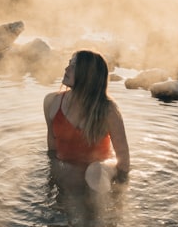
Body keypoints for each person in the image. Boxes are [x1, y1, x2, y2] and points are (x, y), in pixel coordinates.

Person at [44, 50, 130, 191]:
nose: (66, 69)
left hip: (101, 171)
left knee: (94, 172)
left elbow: (124, 162)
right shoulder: (51, 102)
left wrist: (118, 197)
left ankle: (102, 210)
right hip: (69, 171)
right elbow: (52, 151)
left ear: (89, 74)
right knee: (68, 175)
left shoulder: (108, 110)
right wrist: (50, 185)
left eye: (74, 65)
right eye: (69, 63)